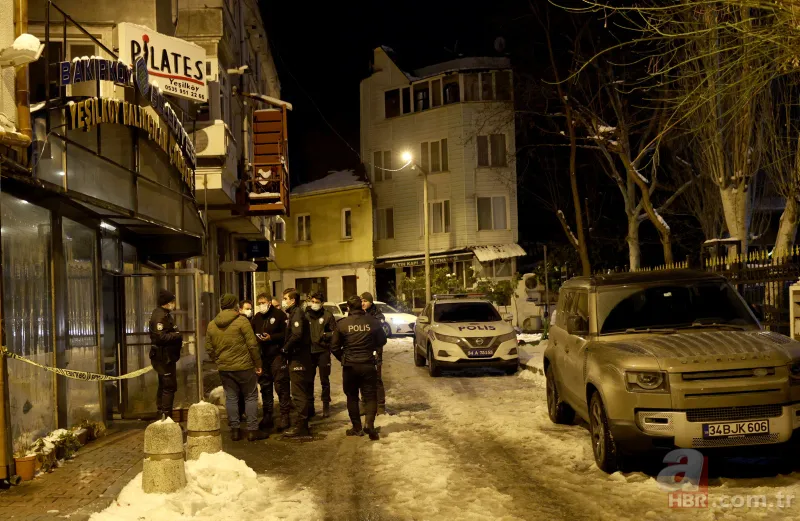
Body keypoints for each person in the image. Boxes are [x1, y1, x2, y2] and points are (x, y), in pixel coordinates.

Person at [205, 294, 268, 442]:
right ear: (234, 305)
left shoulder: (212, 324)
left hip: (225, 368)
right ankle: (253, 430)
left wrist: (219, 360)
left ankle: (235, 431)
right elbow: (252, 345)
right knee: (250, 396)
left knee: (231, 398)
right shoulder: (242, 322)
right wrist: (258, 364)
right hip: (244, 366)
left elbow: (209, 348)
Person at [331, 295, 387, 440]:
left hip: (350, 366)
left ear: (348, 308)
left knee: (352, 397)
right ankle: (369, 424)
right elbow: (382, 340)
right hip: (368, 364)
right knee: (370, 396)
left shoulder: (342, 324)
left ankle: (357, 428)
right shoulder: (373, 322)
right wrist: (371, 348)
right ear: (361, 306)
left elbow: (334, 346)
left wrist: (343, 357)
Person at [251, 292, 291, 432]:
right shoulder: (257, 317)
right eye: (259, 303)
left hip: (277, 355)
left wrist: (271, 338)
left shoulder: (279, 315)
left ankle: (285, 415)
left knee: (281, 385)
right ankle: (268, 415)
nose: (261, 305)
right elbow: (251, 333)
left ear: (269, 302)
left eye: (263, 302)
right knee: (265, 386)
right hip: (263, 356)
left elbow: (286, 334)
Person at [281, 288, 313, 438]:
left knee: (298, 392)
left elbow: (297, 334)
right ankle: (303, 424)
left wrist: (285, 349)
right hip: (299, 357)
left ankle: (301, 426)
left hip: (299, 358)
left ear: (292, 300)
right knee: (300, 391)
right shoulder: (294, 313)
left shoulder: (297, 314)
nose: (284, 301)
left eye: (285, 298)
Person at [149, 289, 183, 419]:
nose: (174, 304)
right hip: (163, 358)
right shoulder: (160, 316)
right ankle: (166, 417)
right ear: (166, 302)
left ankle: (162, 414)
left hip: (167, 357)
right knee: (168, 386)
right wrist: (176, 336)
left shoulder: (165, 314)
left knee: (165, 385)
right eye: (172, 301)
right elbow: (160, 337)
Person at [305, 292, 337, 418]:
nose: (314, 304)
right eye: (313, 301)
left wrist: (324, 336)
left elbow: (334, 332)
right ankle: (310, 406)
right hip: (309, 352)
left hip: (323, 351)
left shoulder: (328, 315)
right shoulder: (306, 315)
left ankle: (325, 405)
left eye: (317, 302)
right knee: (309, 380)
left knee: (325, 380)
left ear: (322, 303)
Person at [360, 292, 386, 415]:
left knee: (376, 379)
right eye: (361, 301)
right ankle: (364, 404)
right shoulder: (358, 313)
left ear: (371, 302)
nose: (363, 303)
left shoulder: (377, 314)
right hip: (362, 350)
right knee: (362, 378)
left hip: (375, 350)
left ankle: (380, 405)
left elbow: (376, 327)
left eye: (365, 301)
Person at [236, 299, 255, 420]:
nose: (249, 311)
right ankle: (243, 415)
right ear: (240, 310)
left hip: (246, 360)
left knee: (244, 391)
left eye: (250, 308)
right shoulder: (240, 322)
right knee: (242, 391)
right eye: (247, 308)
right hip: (241, 360)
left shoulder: (251, 321)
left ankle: (240, 416)